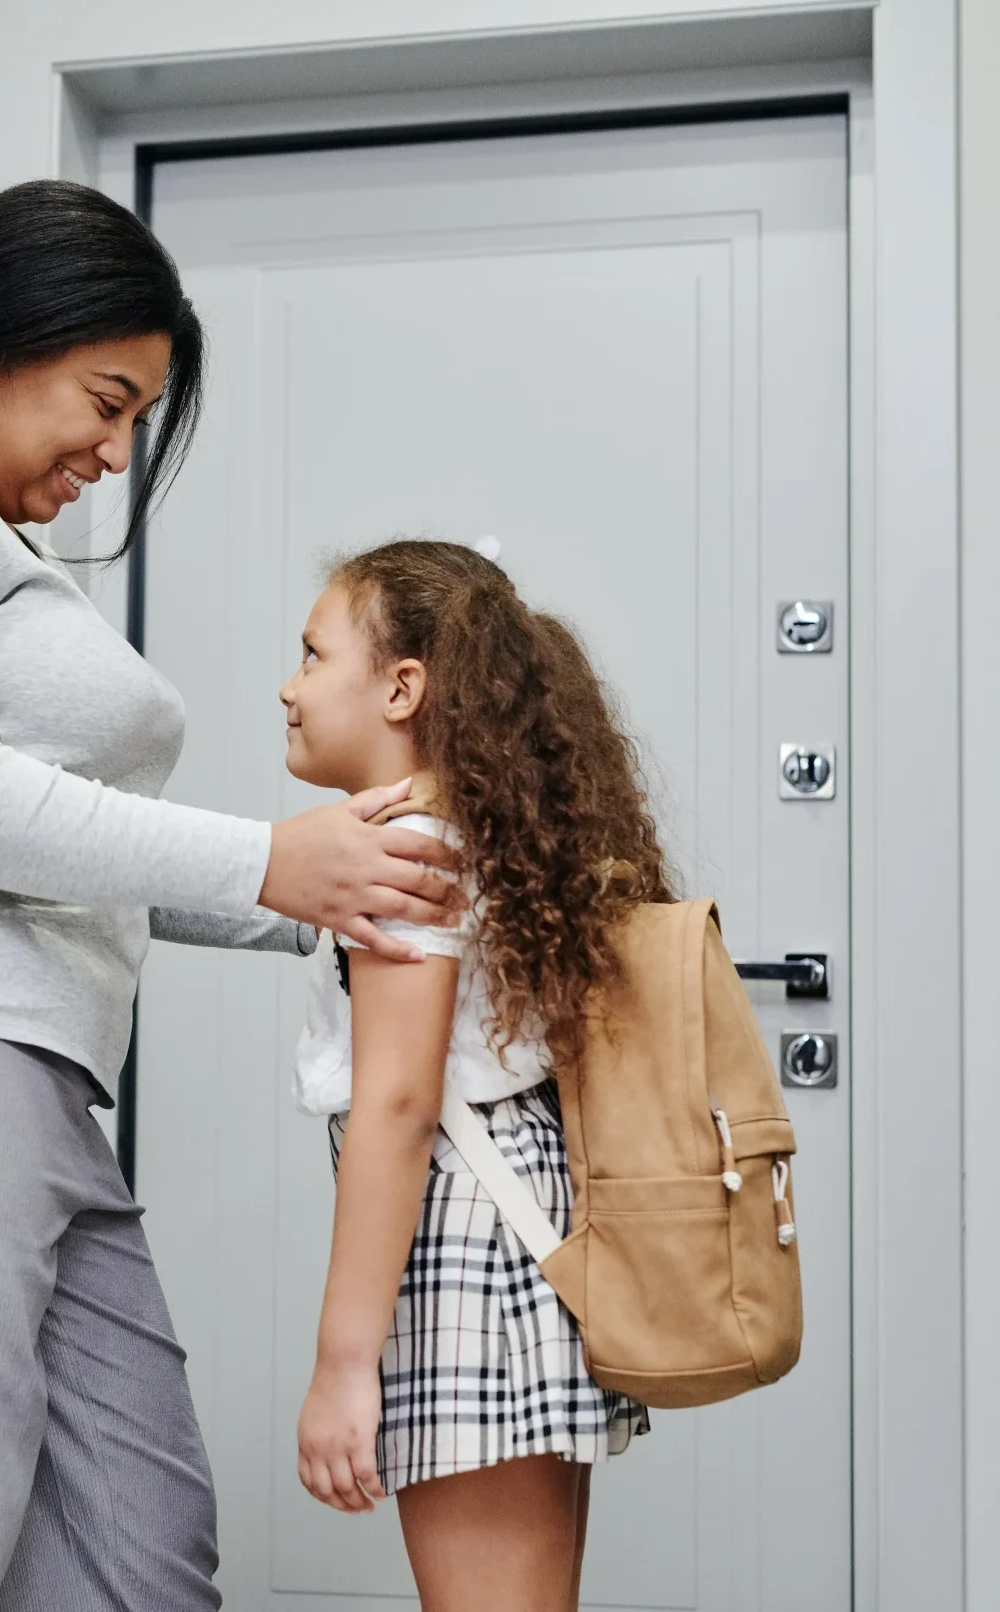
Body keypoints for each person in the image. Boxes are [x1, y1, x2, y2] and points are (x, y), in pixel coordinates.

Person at [0, 180, 461, 1612]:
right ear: (0, 335)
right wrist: (263, 860)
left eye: (132, 422)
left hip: (12, 1073)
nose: (112, 454)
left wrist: (321, 891)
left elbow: (57, 853)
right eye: (104, 403)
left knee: (135, 1552)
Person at [284, 540, 663, 1611]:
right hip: (512, 1239)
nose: (289, 683)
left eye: (312, 655)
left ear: (402, 687)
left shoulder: (409, 851)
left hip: (470, 1256)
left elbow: (399, 1109)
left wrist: (339, 1368)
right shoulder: (459, 833)